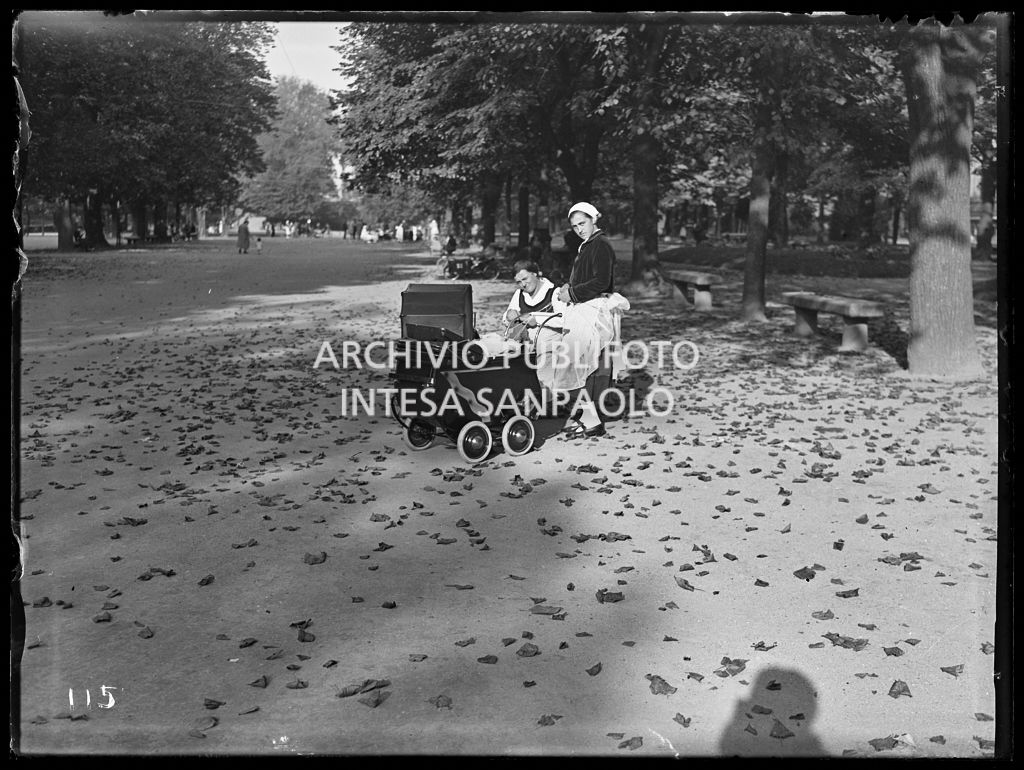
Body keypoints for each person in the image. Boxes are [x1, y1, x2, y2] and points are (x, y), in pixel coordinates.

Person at [536, 202, 629, 439]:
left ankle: (592, 421)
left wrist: (573, 294)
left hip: (593, 310)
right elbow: (586, 276)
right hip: (583, 308)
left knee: (576, 364)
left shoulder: (601, 244)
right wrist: (569, 287)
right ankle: (589, 418)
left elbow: (601, 281)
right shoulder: (588, 245)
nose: (579, 229)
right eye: (575, 226)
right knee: (573, 363)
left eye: (582, 223)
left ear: (593, 219)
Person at [501, 260, 560, 343]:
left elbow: (563, 320)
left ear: (535, 273)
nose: (523, 284)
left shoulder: (554, 292)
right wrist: (509, 315)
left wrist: (536, 319)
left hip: (549, 343)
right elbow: (505, 319)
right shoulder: (519, 293)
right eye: (519, 282)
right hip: (524, 343)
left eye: (525, 279)